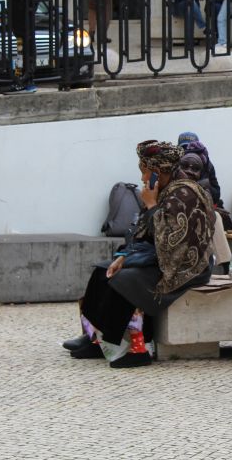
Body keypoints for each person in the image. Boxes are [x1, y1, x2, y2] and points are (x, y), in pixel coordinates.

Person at [63, 141, 215, 368]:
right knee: (102, 272)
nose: (144, 178)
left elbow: (172, 243)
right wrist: (125, 256)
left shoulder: (185, 194)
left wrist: (152, 205)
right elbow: (144, 236)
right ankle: (98, 338)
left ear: (160, 172)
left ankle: (137, 349)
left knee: (125, 280)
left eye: (147, 172)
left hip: (187, 266)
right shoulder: (164, 190)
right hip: (161, 258)